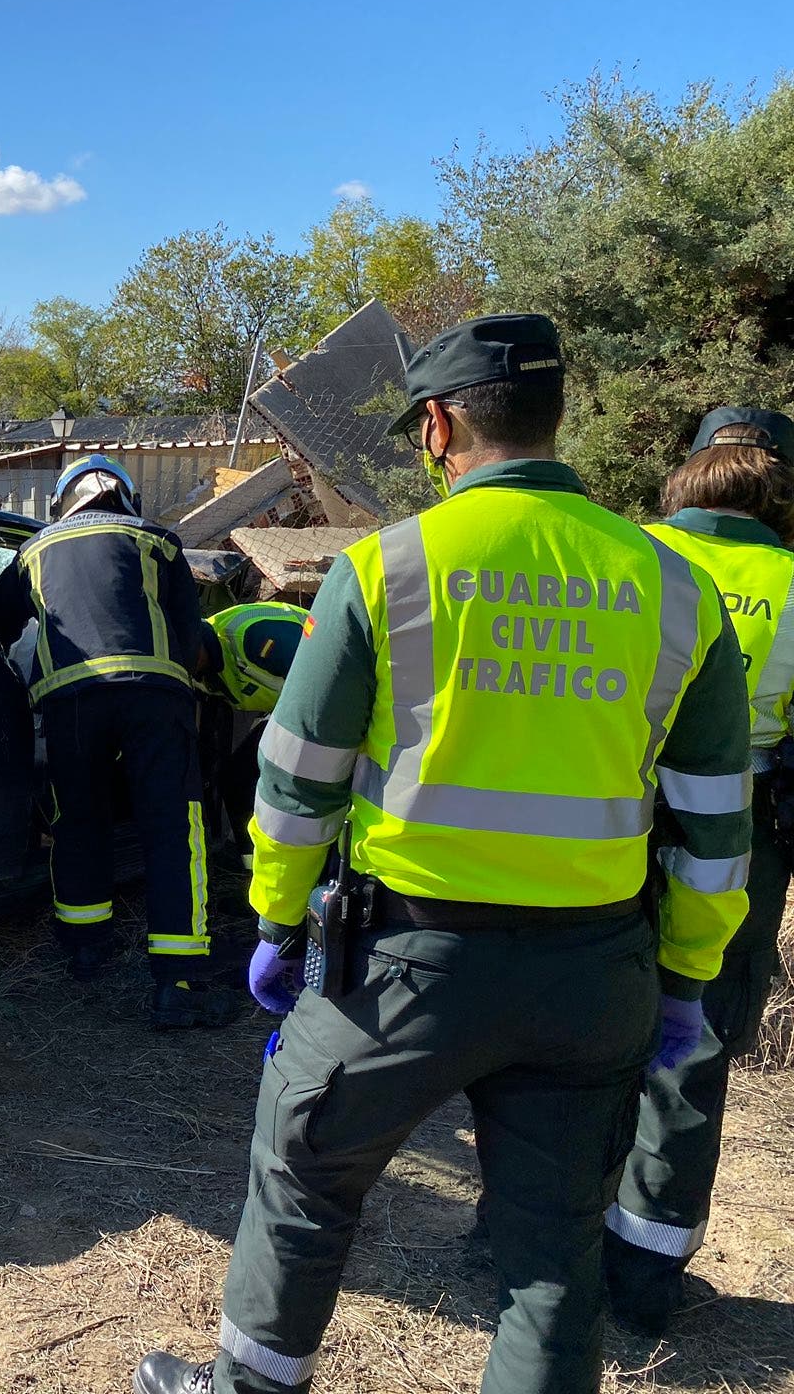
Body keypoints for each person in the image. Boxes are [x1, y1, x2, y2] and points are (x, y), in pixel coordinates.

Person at [133, 314, 754, 1394]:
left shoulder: (386, 568)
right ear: (554, 418)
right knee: (551, 1249)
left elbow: (297, 783)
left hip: (400, 968)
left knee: (304, 1175)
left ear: (436, 428)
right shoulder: (672, 586)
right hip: (592, 973)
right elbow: (714, 822)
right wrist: (686, 977)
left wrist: (277, 920)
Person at [605, 406, 794, 1335]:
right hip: (741, 830)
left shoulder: (622, 557)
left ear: (687, 472)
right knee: (695, 1040)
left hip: (607, 820)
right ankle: (644, 1273)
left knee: (576, 1028)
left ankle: (529, 1232)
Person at [0, 454, 239, 1029]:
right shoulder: (158, 542)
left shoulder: (34, 550)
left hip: (69, 701)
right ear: (127, 497)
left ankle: (84, 948)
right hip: (154, 698)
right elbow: (189, 638)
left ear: (64, 502)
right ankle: (177, 982)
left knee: (78, 820)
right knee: (173, 828)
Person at [194, 603, 312, 872]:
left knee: (283, 781)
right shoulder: (197, 670)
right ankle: (252, 868)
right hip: (286, 712)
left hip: (325, 710)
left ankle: (303, 868)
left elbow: (323, 676)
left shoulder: (251, 636)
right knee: (235, 779)